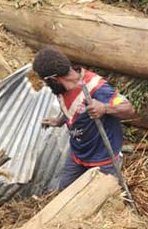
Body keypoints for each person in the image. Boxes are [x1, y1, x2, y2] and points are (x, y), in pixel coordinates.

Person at [33, 47, 136, 189]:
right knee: (65, 191)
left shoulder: (96, 88)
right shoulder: (61, 89)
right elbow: (73, 108)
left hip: (103, 157)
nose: (47, 85)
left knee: (103, 198)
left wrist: (105, 108)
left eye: (46, 82)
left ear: (53, 79)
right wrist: (59, 121)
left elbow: (129, 109)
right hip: (78, 153)